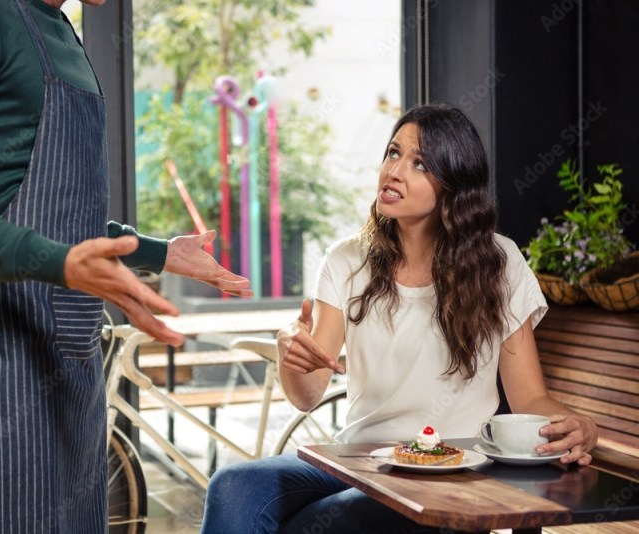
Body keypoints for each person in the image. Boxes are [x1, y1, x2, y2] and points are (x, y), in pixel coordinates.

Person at [0, 0, 251, 532]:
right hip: (1, 372)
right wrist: (59, 262)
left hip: (74, 366)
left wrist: (158, 253)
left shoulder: (60, 31)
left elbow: (48, 217)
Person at [200, 103, 598, 534]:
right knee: (233, 487)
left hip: (453, 469)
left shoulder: (500, 264)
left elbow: (529, 400)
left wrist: (582, 427)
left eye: (419, 163)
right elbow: (307, 394)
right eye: (393, 152)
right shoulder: (346, 260)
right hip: (358, 459)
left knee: (318, 523)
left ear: (453, 184)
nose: (395, 170)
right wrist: (292, 356)